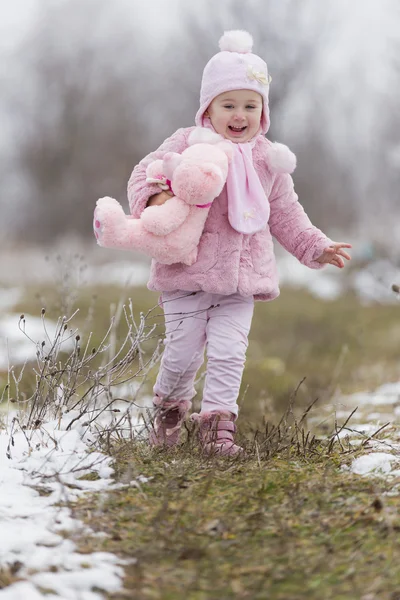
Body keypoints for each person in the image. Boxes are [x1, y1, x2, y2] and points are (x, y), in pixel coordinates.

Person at [127, 30, 351, 455]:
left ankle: (217, 429)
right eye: (228, 104)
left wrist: (314, 246)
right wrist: (159, 196)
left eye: (250, 105)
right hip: (186, 273)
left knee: (230, 353)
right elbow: (144, 175)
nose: (239, 115)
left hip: (241, 280)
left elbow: (286, 212)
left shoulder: (269, 160)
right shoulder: (186, 142)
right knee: (182, 355)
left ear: (262, 112)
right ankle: (170, 412)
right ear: (208, 107)